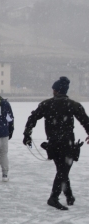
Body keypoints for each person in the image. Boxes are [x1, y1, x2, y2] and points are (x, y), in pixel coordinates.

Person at [23, 76, 89, 211]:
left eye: (53, 89)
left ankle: (69, 195)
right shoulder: (73, 105)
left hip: (53, 143)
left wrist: (27, 134)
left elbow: (32, 118)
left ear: (56, 90)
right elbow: (85, 121)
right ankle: (53, 198)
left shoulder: (46, 104)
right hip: (67, 143)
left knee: (62, 170)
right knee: (63, 171)